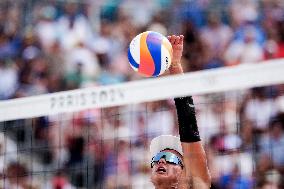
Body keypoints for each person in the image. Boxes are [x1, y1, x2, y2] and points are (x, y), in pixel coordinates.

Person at [149, 35, 211, 189]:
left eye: (169, 158)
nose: (160, 161)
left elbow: (189, 125)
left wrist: (175, 65)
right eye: (157, 158)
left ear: (185, 174)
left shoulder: (196, 185)